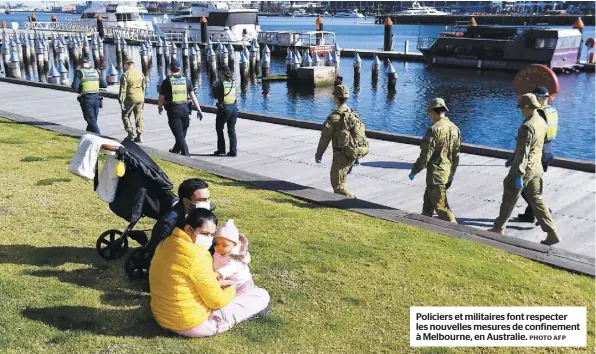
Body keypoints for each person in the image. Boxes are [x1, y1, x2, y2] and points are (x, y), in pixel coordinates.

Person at [149, 208, 271, 338]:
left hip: (160, 315)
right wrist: (232, 289)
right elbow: (216, 301)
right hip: (188, 324)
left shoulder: (166, 243)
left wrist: (218, 283)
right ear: (188, 229)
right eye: (204, 233)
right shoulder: (198, 255)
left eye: (212, 235)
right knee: (261, 295)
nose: (208, 239)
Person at [489, 93, 559, 246]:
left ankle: (498, 227)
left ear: (527, 107)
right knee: (536, 200)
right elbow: (536, 146)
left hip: (524, 169)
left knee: (509, 196)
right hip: (537, 168)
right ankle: (552, 232)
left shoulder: (527, 127)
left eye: (522, 108)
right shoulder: (541, 121)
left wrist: (518, 174)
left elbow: (523, 153)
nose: (521, 111)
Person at [408, 98, 460, 223]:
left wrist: (415, 170)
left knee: (441, 207)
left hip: (436, 176)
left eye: (429, 112)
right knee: (428, 201)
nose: (429, 115)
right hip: (447, 173)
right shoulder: (455, 128)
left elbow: (425, 155)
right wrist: (452, 173)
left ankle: (456, 230)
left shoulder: (434, 130)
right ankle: (425, 223)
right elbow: (456, 155)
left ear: (433, 112)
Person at [315, 85, 369, 198]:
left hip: (341, 155)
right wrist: (356, 157)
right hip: (353, 154)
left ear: (336, 98)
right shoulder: (353, 115)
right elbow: (358, 136)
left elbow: (325, 138)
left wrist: (319, 154)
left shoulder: (334, 117)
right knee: (343, 177)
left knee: (338, 185)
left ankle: (352, 201)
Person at [515, 86, 558, 223]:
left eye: (534, 97)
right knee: (534, 185)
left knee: (524, 187)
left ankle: (542, 211)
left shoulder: (537, 113)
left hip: (536, 153)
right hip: (548, 151)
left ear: (539, 98)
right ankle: (530, 214)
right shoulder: (552, 110)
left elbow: (531, 134)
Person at [148, 178, 213, 252]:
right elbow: (157, 251)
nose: (207, 203)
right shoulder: (168, 224)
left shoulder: (201, 213)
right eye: (202, 200)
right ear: (186, 201)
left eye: (208, 199)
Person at [157, 60, 203, 157]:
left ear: (170, 69)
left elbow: (161, 97)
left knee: (180, 136)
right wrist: (199, 109)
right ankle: (175, 151)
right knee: (181, 134)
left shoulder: (167, 82)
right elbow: (193, 96)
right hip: (185, 110)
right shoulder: (186, 80)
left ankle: (186, 155)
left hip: (174, 111)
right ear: (180, 69)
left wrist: (160, 107)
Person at [213, 219, 254, 294]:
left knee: (237, 298)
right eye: (217, 244)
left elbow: (229, 268)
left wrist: (215, 274)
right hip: (227, 280)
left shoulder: (237, 257)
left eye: (224, 245)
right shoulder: (218, 251)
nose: (220, 247)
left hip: (240, 284)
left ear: (234, 244)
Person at [71, 57, 107, 134]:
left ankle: (99, 137)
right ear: (89, 62)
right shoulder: (96, 71)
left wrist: (80, 89)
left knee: (91, 120)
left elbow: (74, 86)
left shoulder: (79, 72)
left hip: (87, 99)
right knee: (92, 120)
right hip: (97, 99)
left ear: (80, 63)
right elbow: (104, 85)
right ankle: (88, 135)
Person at [119, 55, 146, 142]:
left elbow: (123, 89)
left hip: (131, 97)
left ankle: (130, 133)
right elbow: (144, 86)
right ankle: (140, 135)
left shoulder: (125, 75)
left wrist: (121, 99)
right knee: (139, 116)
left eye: (124, 64)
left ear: (126, 64)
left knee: (125, 115)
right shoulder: (140, 73)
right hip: (140, 97)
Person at [212, 65, 238, 157]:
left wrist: (214, 87)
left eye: (219, 72)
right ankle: (233, 151)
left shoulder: (220, 84)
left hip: (224, 109)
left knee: (219, 128)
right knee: (231, 130)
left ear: (222, 73)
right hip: (234, 108)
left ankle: (221, 149)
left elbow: (215, 96)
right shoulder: (233, 83)